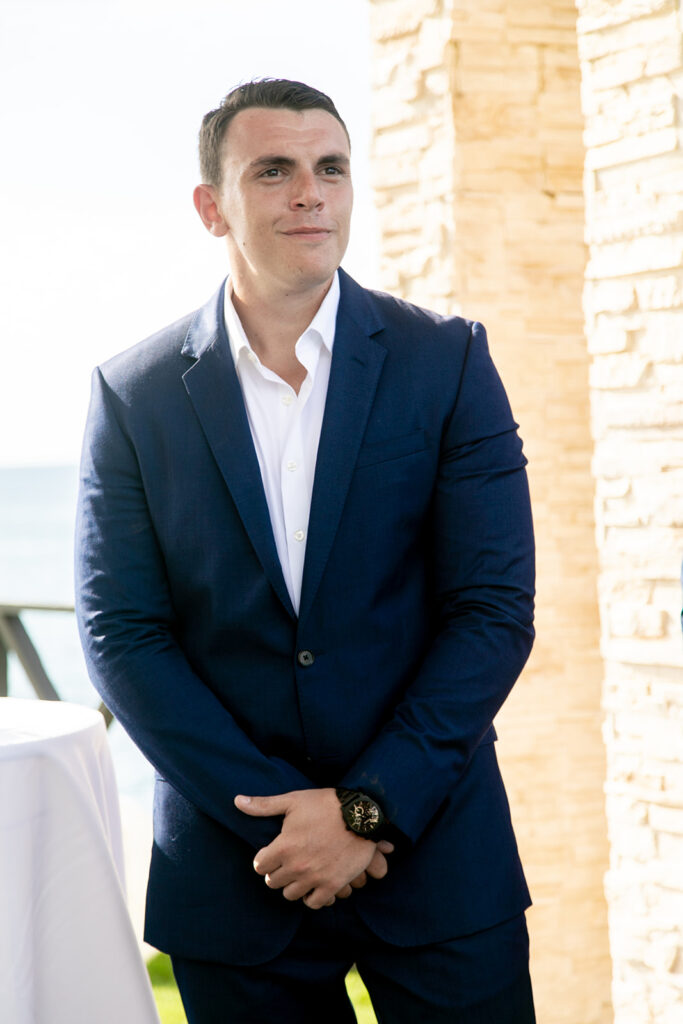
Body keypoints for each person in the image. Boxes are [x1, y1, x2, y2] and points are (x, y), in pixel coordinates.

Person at [75, 78, 536, 1023]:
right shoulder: (135, 394)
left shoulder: (446, 362)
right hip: (238, 872)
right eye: (273, 170)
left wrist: (364, 810)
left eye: (330, 168)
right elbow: (122, 634)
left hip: (438, 857)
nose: (309, 194)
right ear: (213, 207)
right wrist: (291, 822)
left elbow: (491, 610)